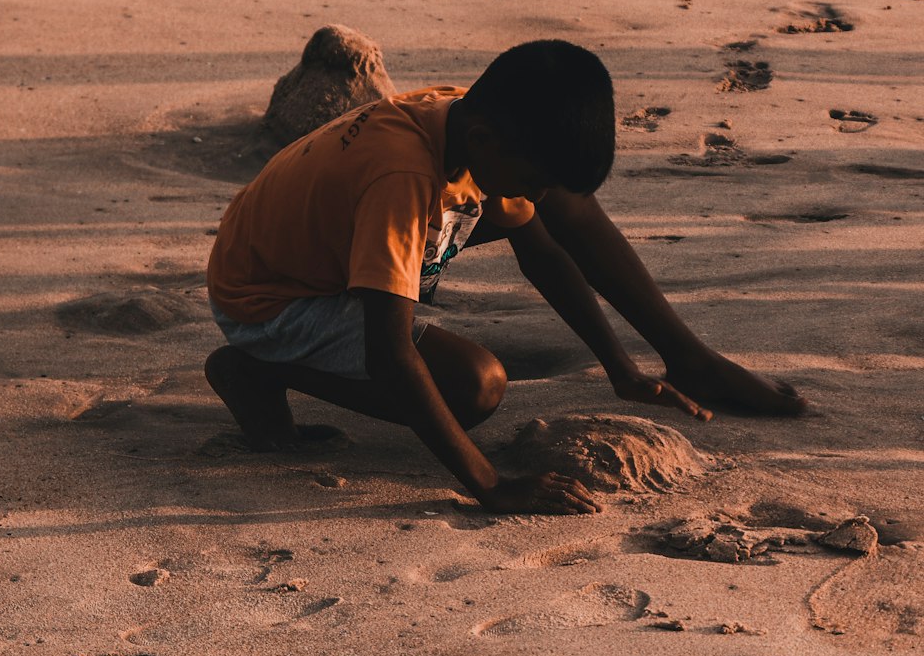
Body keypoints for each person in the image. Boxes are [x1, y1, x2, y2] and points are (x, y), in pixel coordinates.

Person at [204, 40, 803, 516]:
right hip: (270, 300)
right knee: (474, 387)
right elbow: (388, 353)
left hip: (324, 249)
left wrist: (622, 368)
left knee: (561, 207)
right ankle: (258, 370)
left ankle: (688, 356)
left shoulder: (472, 120)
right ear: (485, 142)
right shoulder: (402, 179)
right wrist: (490, 484)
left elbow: (543, 251)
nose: (534, 198)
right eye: (531, 180)